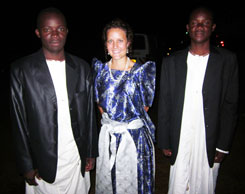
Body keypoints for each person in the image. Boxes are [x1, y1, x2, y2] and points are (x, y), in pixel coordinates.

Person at [10, 7, 98, 194]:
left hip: (75, 158)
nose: (55, 34)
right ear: (38, 33)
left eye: (60, 29)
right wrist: (27, 164)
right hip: (42, 161)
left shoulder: (81, 68)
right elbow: (18, 121)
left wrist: (90, 151)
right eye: (47, 29)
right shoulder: (22, 70)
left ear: (66, 31)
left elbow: (90, 114)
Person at [157, 6, 239, 194]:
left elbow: (230, 105)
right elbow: (165, 103)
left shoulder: (227, 60)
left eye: (205, 23)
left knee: (205, 184)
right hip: (181, 134)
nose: (199, 26)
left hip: (209, 136)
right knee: (178, 183)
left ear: (213, 27)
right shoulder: (172, 62)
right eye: (195, 23)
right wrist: (165, 139)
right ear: (188, 27)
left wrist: (223, 145)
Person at [93, 18, 156, 194]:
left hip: (134, 141)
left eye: (120, 40)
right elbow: (100, 104)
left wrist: (125, 128)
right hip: (109, 137)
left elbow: (144, 107)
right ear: (105, 45)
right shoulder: (100, 71)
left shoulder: (141, 72)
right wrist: (112, 126)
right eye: (110, 41)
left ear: (128, 43)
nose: (115, 45)